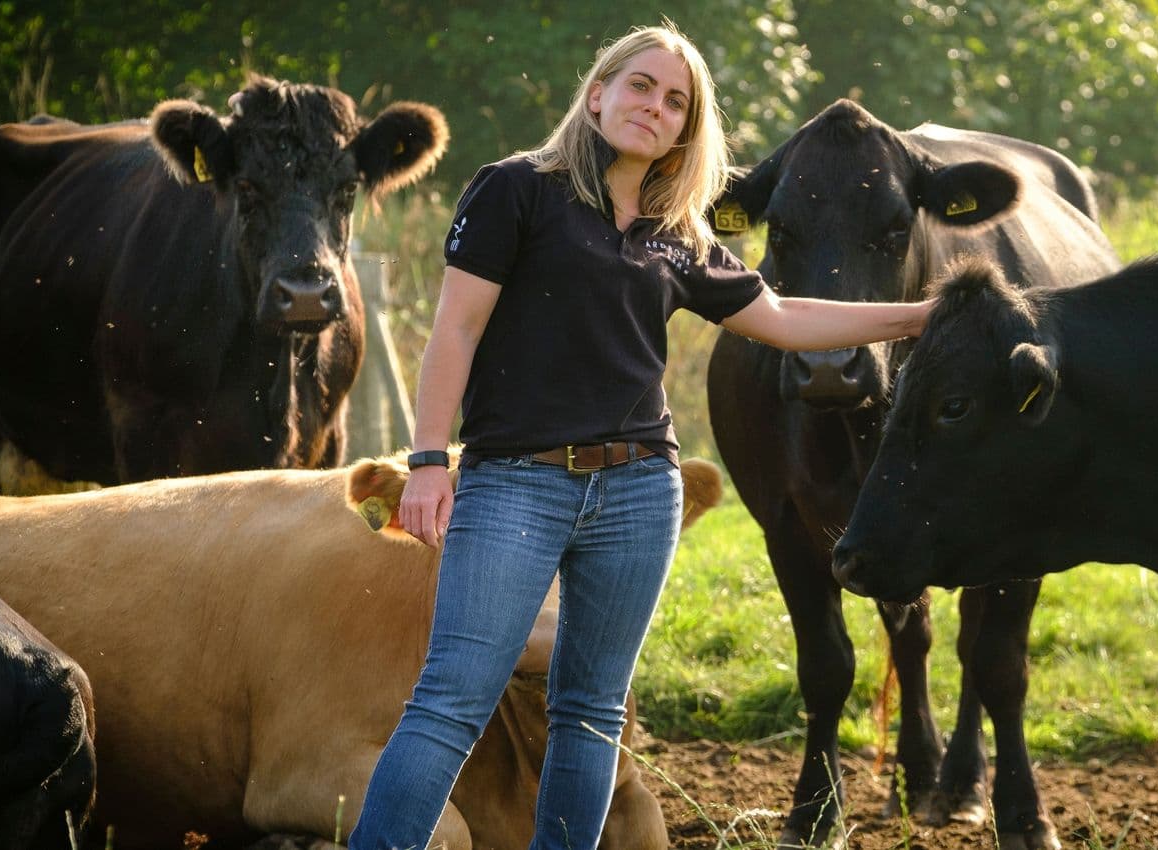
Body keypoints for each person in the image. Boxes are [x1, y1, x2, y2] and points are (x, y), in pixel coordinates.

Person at [348, 23, 933, 850]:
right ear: (597, 94)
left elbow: (783, 316)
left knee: (588, 715)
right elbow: (455, 332)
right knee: (451, 701)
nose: (654, 108)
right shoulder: (516, 189)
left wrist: (918, 314)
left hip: (637, 494)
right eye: (639, 87)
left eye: (676, 102)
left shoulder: (679, 233)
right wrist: (431, 460)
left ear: (686, 130)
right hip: (515, 481)